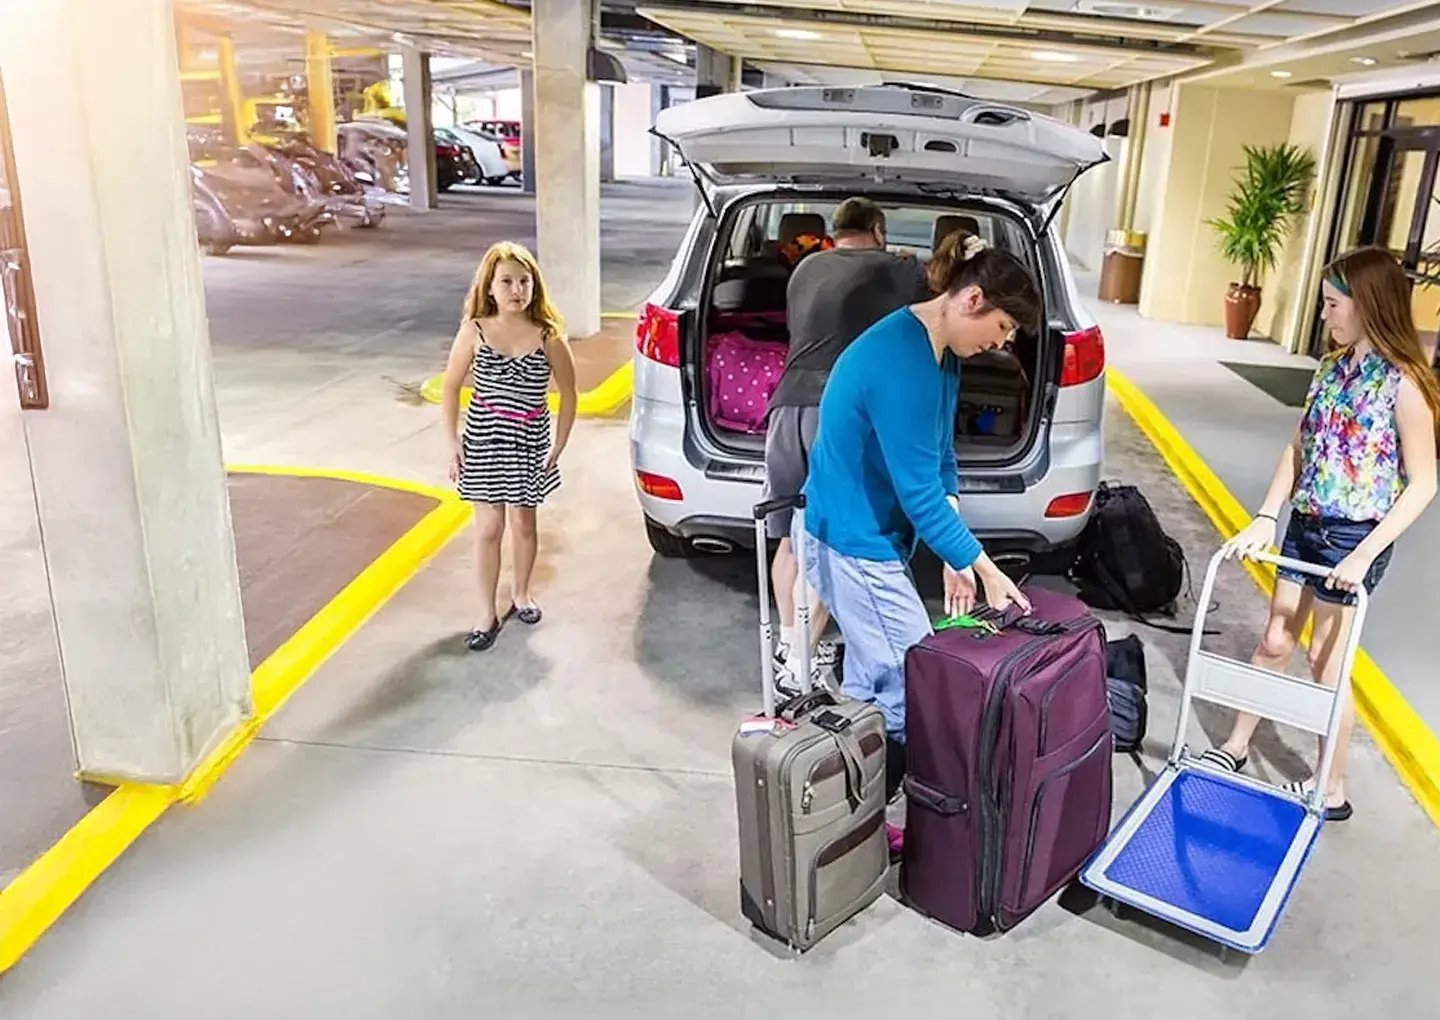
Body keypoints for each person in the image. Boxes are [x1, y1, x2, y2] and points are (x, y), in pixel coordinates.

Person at [797, 227, 1036, 811]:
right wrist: (982, 567)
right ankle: (875, 818)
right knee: (913, 680)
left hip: (870, 537)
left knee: (872, 684)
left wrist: (957, 558)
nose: (1000, 345)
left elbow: (941, 458)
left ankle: (848, 821)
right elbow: (918, 492)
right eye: (1002, 329)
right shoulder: (901, 360)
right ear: (972, 300)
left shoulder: (942, 353)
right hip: (854, 544)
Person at [1208, 246, 1439, 820]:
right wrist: (1266, 514)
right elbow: (1298, 446)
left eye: (1333, 304)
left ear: (1368, 305)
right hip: (1306, 525)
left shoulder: (1404, 384)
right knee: (1275, 640)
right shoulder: (1331, 370)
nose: (1325, 315)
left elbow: (1424, 483)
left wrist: (1364, 555)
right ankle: (1237, 745)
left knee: (1325, 662)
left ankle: (1331, 787)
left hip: (1353, 537)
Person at [764, 197, 931, 696]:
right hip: (836, 414)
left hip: (785, 407)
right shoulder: (902, 269)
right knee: (828, 536)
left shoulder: (806, 269)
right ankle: (799, 663)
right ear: (878, 230)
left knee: (790, 534)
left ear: (835, 233)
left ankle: (790, 642)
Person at [441, 242, 578, 651]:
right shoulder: (475, 330)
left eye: (524, 281)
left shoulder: (549, 335)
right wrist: (452, 444)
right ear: (490, 287)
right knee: (488, 528)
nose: (517, 290)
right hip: (483, 439)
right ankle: (486, 613)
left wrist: (559, 446)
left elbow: (570, 394)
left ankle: (521, 593)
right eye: (507, 282)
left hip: (529, 439)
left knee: (523, 523)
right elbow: (449, 387)